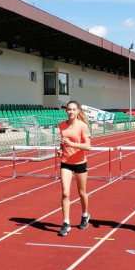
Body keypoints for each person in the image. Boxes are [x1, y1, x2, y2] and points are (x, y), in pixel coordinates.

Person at [57, 100, 92, 237]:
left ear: (78, 111)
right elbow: (62, 142)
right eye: (68, 109)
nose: (70, 111)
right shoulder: (61, 125)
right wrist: (60, 150)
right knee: (65, 192)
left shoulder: (83, 126)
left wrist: (72, 143)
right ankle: (66, 222)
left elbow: (88, 147)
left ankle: (85, 214)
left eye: (73, 109)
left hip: (79, 162)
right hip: (65, 161)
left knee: (82, 192)